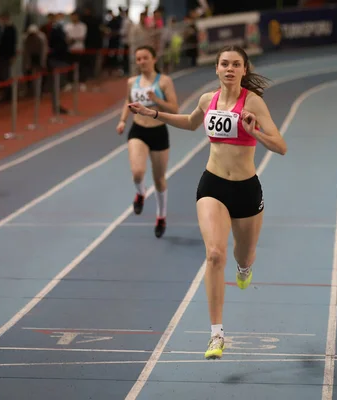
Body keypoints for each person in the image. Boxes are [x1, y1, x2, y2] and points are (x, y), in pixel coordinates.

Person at [127, 45, 287, 360]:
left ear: (244, 70)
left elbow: (280, 145)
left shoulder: (253, 102)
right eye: (224, 64)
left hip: (246, 189)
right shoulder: (207, 100)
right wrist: (152, 113)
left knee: (244, 255)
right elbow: (189, 122)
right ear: (216, 69)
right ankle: (216, 335)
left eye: (235, 64)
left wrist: (255, 131)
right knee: (214, 254)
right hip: (212, 184)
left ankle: (245, 268)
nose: (229, 69)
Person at [116, 45, 178, 238]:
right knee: (137, 172)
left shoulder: (164, 81)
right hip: (138, 130)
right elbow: (128, 103)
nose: (141, 61)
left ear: (154, 59)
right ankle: (140, 193)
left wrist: (156, 100)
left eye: (145, 58)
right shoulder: (132, 82)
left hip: (158, 131)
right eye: (138, 59)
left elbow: (175, 109)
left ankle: (161, 216)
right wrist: (122, 120)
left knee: (159, 179)